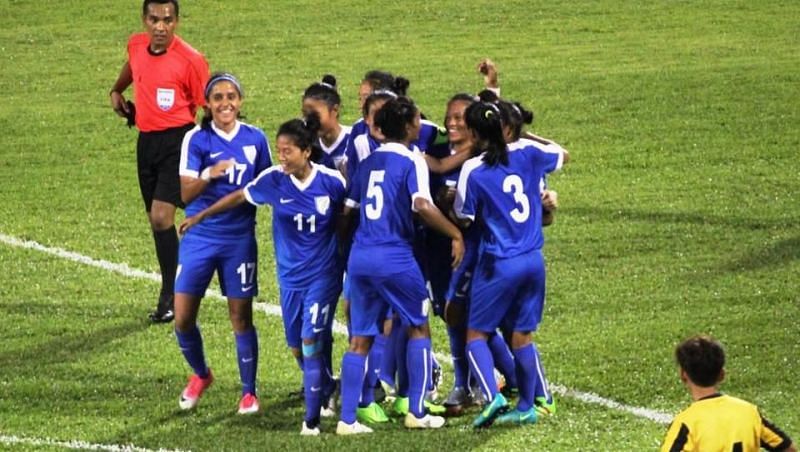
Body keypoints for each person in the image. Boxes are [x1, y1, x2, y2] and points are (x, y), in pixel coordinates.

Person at [182, 113, 346, 435]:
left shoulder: (332, 182)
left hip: (323, 276)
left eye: (288, 151)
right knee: (297, 346)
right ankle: (329, 386)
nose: (281, 157)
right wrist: (201, 214)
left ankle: (311, 421)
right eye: (279, 150)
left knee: (311, 339)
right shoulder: (273, 180)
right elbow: (241, 195)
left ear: (306, 151)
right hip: (290, 280)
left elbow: (347, 219)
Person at [336, 97, 465, 435]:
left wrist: (344, 253)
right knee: (418, 327)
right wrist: (454, 233)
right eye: (418, 120)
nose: (421, 124)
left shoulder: (367, 163)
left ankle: (347, 420)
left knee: (359, 340)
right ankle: (417, 411)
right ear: (408, 127)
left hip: (361, 257)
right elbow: (421, 204)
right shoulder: (412, 160)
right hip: (395, 255)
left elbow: (347, 213)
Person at [454, 101, 568, 428]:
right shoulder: (529, 153)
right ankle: (528, 406)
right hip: (534, 260)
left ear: (475, 133)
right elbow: (562, 154)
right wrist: (528, 135)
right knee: (523, 336)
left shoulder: (473, 170)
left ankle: (493, 397)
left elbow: (464, 216)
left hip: (499, 263)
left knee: (475, 334)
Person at [172, 73, 272, 414]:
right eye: (218, 97)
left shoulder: (256, 139)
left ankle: (249, 392)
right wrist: (208, 174)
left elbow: (267, 183)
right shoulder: (196, 139)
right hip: (200, 236)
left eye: (231, 96)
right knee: (183, 317)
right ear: (207, 104)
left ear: (240, 102)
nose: (225, 103)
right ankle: (201, 375)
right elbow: (185, 195)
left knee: (240, 317)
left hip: (239, 239)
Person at [109, 0, 210, 323]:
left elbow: (206, 107)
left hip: (178, 141)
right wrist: (116, 90)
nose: (160, 27)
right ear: (144, 19)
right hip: (146, 142)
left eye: (167, 20)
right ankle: (208, 221)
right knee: (159, 220)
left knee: (160, 216)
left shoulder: (191, 60)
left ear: (176, 22)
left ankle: (171, 296)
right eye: (154, 19)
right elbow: (132, 66)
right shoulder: (137, 45)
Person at [660, 335, 796, 452]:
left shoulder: (686, 422)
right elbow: (787, 448)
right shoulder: (748, 412)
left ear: (683, 375)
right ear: (722, 374)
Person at [302, 75, 351, 173]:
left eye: (316, 115)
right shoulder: (304, 145)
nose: (310, 121)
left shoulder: (354, 140)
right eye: (305, 114)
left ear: (335, 110)